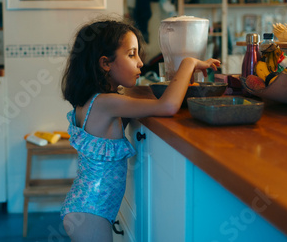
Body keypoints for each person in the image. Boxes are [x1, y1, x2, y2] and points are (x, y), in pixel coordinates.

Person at [60, 18, 220, 242]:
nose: (141, 63)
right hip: (90, 213)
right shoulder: (106, 103)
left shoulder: (95, 101)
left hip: (85, 207)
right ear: (106, 63)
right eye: (131, 54)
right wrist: (188, 63)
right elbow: (168, 106)